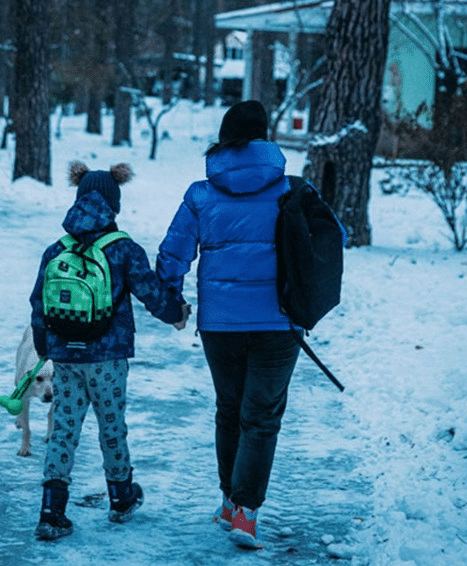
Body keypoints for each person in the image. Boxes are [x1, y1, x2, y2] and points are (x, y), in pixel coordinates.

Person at [155, 100, 302, 550]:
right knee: (261, 418)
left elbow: (173, 254)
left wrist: (172, 303)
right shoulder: (292, 189)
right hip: (279, 324)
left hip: (220, 325)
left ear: (224, 138)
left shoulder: (200, 193)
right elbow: (326, 246)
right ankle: (246, 512)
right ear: (265, 137)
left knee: (230, 410)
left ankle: (228, 501)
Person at [29, 161, 190, 541]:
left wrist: (45, 347)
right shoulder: (123, 249)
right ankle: (120, 498)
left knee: (64, 428)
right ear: (114, 203)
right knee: (112, 425)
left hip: (66, 357)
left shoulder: (57, 249)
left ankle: (52, 510)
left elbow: (38, 302)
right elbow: (150, 291)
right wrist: (176, 314)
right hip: (108, 357)